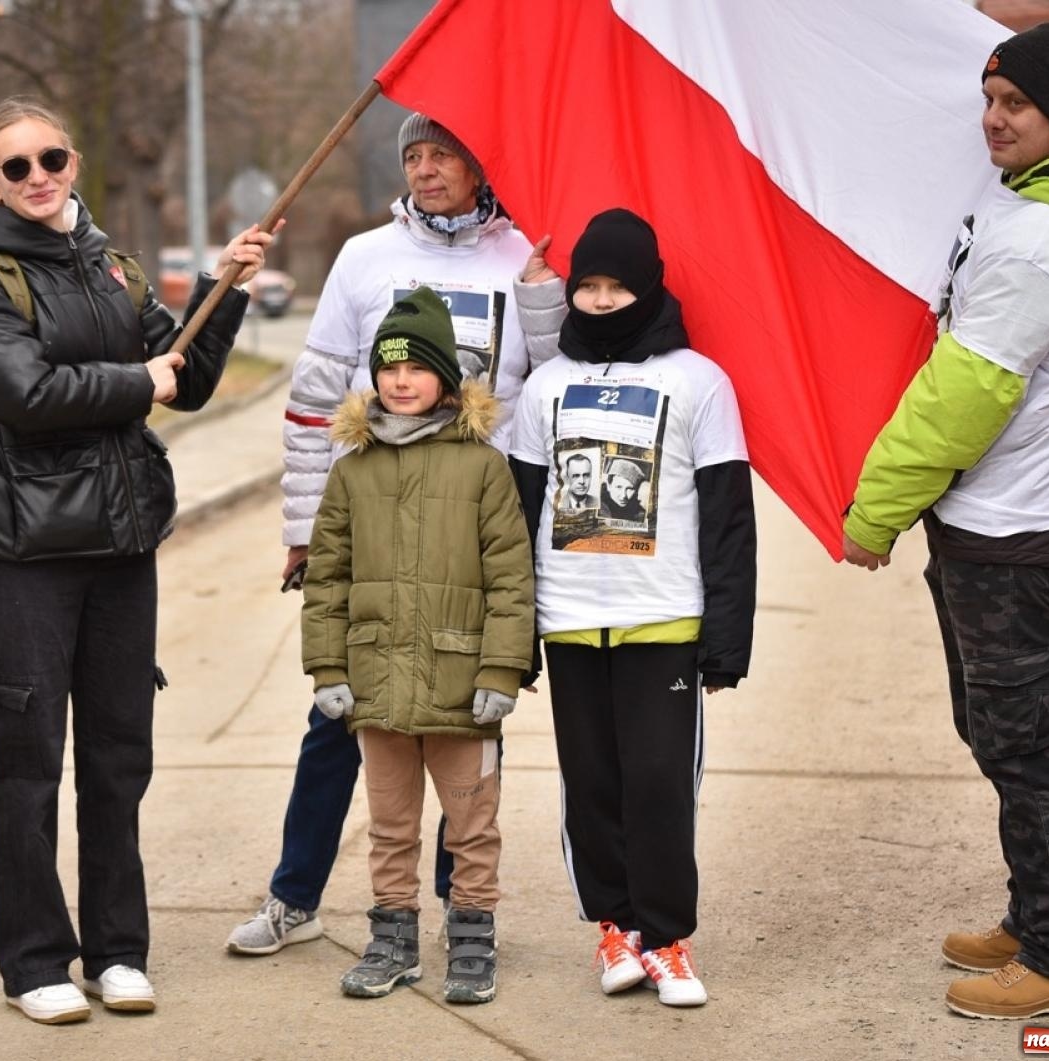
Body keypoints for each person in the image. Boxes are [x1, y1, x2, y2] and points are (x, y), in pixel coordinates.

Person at [0, 97, 272, 1025]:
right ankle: (37, 962)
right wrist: (138, 383)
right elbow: (24, 393)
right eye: (16, 166)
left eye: (51, 157)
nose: (38, 176)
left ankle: (118, 952)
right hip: (28, 555)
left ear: (74, 159)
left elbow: (189, 380)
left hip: (123, 545)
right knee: (29, 764)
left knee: (120, 758)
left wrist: (229, 288)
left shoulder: (110, 263)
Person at [841, 23, 1049, 1021]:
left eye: (1013, 104)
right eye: (988, 100)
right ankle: (1034, 912)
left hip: (1015, 533)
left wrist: (876, 512)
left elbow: (959, 402)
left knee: (1022, 743)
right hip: (1017, 515)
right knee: (1001, 730)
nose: (991, 121)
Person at [228, 112, 558, 956]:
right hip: (376, 524)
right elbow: (316, 392)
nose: (426, 168)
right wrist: (306, 527)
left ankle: (460, 909)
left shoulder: (518, 252)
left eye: (442, 153)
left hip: (480, 524)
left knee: (472, 720)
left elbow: (543, 389)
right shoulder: (365, 258)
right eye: (413, 154)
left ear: (480, 163)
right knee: (338, 716)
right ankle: (294, 896)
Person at [509, 208, 756, 1006]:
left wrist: (726, 639)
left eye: (618, 286)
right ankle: (613, 931)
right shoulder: (544, 389)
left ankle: (668, 940)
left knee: (658, 784)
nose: (603, 299)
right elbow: (514, 519)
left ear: (648, 289)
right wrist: (514, 635)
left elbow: (726, 517)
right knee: (592, 784)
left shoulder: (698, 381)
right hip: (571, 623)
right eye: (589, 285)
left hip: (665, 621)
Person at [302, 287, 532, 1004]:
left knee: (471, 822)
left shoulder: (482, 467)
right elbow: (327, 578)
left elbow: (510, 579)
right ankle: (392, 938)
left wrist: (502, 666)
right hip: (377, 681)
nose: (400, 382)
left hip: (464, 680)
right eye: (388, 369)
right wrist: (326, 667)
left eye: (416, 369)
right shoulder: (353, 469)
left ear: (444, 378)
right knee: (390, 824)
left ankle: (471, 938)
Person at [598, 458, 648, 522]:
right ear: (609, 486)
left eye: (630, 489)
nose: (623, 495)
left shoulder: (639, 509)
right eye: (619, 487)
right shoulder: (600, 506)